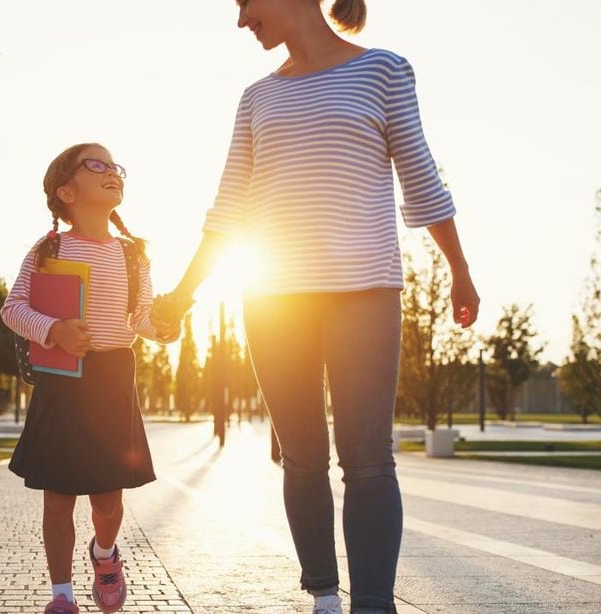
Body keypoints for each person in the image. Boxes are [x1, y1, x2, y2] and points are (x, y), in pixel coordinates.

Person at [152, 1, 481, 612]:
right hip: (274, 301)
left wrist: (459, 271)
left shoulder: (383, 70)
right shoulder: (256, 98)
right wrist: (183, 292)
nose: (241, 19)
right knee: (302, 459)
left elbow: (421, 181)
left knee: (368, 462)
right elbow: (228, 211)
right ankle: (324, 597)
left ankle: (373, 605)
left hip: (365, 291)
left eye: (246, 2)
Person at [0, 143, 180, 614]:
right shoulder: (48, 250)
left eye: (115, 165)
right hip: (62, 382)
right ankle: (61, 596)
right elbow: (13, 308)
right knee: (58, 498)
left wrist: (163, 327)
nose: (112, 172)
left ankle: (105, 554)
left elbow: (140, 318)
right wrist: (54, 329)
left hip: (111, 379)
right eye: (95, 165)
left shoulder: (133, 254)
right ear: (66, 191)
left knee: (107, 499)